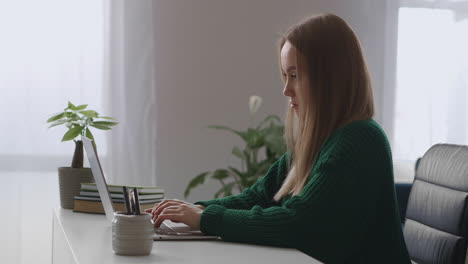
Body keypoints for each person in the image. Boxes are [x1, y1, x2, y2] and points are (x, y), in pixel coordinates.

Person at [145, 13, 411, 263]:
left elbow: (299, 225)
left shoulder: (360, 139)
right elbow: (258, 197)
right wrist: (192, 211)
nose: (286, 90)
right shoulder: (317, 141)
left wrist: (205, 218)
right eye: (285, 76)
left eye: (294, 75)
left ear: (328, 77)